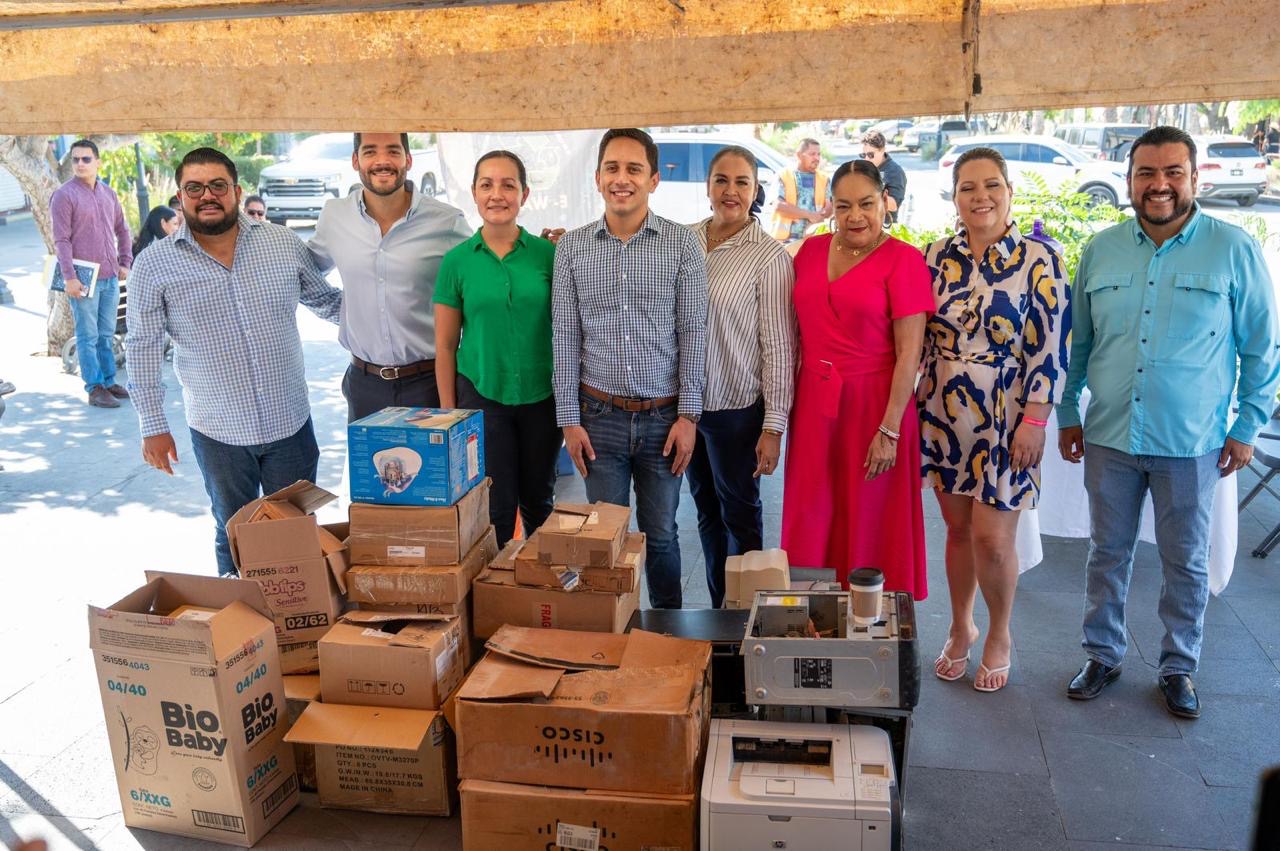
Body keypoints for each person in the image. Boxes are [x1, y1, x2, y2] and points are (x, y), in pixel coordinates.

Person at [1058, 126, 1280, 719]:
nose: (1159, 186)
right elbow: (1078, 344)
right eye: (1146, 174)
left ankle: (1178, 666)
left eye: (1172, 173)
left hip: (1193, 441)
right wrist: (1066, 410)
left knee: (1186, 560)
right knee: (1108, 552)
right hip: (1108, 434)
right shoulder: (1100, 249)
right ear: (1129, 179)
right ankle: (1101, 655)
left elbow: (1262, 350)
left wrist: (1248, 425)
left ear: (1194, 178)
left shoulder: (1234, 250)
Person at [125, 147, 343, 578]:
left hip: (290, 424)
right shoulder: (153, 265)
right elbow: (142, 346)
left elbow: (327, 302)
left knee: (295, 531)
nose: (207, 196)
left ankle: (300, 632)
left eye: (218, 186)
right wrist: (152, 424)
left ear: (237, 191)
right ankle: (245, 634)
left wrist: (397, 305)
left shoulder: (281, 243)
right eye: (194, 188)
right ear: (180, 196)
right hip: (219, 431)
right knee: (234, 533)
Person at [920, 147, 1072, 692]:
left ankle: (1000, 633)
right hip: (943, 410)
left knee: (993, 538)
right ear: (955, 196)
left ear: (1009, 191)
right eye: (967, 187)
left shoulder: (1041, 258)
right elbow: (916, 338)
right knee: (958, 530)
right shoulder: (934, 256)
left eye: (991, 185)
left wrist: (1036, 418)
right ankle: (961, 627)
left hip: (1008, 415)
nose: (979, 196)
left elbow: (1052, 346)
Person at [553, 128, 709, 609]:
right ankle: (612, 634)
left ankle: (668, 641)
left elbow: (694, 335)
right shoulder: (572, 249)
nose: (622, 179)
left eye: (634, 169)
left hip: (665, 420)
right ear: (598, 178)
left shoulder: (682, 246)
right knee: (606, 537)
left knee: (661, 536)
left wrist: (689, 418)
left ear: (654, 179)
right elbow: (564, 335)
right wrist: (569, 420)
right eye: (613, 169)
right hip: (598, 418)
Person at [780, 159, 933, 598]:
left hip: (876, 407)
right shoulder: (809, 251)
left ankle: (874, 624)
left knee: (870, 519)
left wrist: (888, 429)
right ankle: (810, 617)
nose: (855, 216)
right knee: (812, 513)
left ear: (885, 202)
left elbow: (910, 355)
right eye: (843, 205)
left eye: (866, 204)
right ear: (831, 206)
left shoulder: (903, 260)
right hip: (813, 404)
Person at [687, 145, 796, 607]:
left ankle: (750, 624)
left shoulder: (769, 257)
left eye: (742, 183)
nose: (730, 191)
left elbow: (778, 346)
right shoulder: (682, 240)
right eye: (721, 180)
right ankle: (719, 612)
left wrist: (773, 427)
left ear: (755, 192)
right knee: (707, 516)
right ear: (708, 186)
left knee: (741, 518)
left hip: (737, 411)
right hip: (687, 408)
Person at [434, 151, 561, 548]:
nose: (497, 194)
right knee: (497, 507)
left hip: (543, 398)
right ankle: (498, 597)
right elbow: (444, 346)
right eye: (486, 184)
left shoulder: (550, 255)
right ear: (473, 193)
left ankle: (543, 597)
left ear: (524, 194)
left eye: (508, 185)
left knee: (540, 502)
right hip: (483, 398)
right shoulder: (456, 263)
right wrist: (449, 417)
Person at [309, 132, 470, 421]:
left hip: (431, 382)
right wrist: (343, 311)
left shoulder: (446, 220)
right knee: (371, 468)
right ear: (355, 160)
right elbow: (305, 273)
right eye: (370, 151)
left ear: (408, 160)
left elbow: (482, 270)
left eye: (393, 151)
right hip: (363, 384)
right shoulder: (334, 216)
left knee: (435, 468)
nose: (382, 161)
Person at [50, 139, 133, 409]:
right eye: (75, 159)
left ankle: (109, 381)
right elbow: (61, 240)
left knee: (106, 334)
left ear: (98, 161)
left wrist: (125, 262)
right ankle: (94, 387)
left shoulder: (108, 194)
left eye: (86, 159)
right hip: (83, 278)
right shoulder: (64, 195)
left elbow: (122, 230)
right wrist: (70, 278)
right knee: (88, 336)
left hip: (110, 276)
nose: (80, 164)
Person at [771, 138, 830, 244]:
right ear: (798, 155)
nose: (817, 158)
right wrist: (810, 215)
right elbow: (778, 206)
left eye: (819, 154)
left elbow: (830, 206)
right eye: (812, 154)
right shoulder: (784, 176)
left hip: (814, 242)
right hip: (785, 243)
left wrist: (821, 217)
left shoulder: (824, 179)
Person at [861, 130, 908, 224]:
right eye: (863, 155)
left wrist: (869, 191)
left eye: (871, 155)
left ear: (882, 150)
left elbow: (893, 205)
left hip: (884, 226)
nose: (866, 159)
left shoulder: (895, 171)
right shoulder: (864, 168)